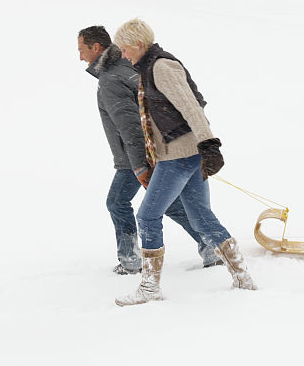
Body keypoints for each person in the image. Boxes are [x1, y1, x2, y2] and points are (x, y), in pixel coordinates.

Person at [112, 18, 256, 306]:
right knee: (201, 216)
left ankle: (150, 288)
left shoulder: (162, 67)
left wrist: (209, 144)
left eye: (125, 50)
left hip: (179, 155)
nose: (123, 55)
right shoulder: (148, 67)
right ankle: (242, 275)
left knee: (147, 216)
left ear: (138, 45)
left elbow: (191, 107)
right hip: (180, 154)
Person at [78, 26, 221, 275]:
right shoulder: (127, 66)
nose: (79, 57)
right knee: (171, 203)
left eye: (81, 50)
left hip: (135, 156)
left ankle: (132, 261)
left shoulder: (111, 79)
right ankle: (210, 246)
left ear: (96, 48)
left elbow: (130, 124)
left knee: (118, 202)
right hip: (155, 151)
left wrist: (139, 164)